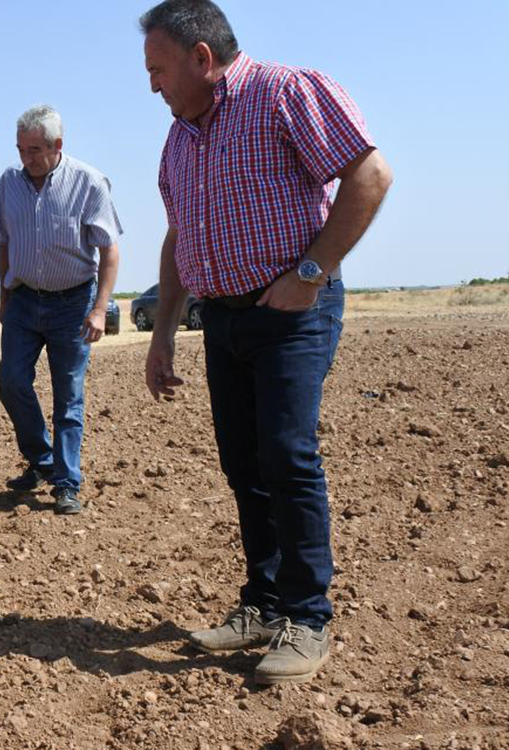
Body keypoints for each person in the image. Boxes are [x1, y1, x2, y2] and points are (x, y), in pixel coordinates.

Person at [139, 0, 393, 685]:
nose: (152, 84)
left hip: (291, 313)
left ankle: (308, 619)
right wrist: (162, 331)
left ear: (200, 58)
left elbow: (370, 176)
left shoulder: (285, 92)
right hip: (221, 319)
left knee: (286, 454)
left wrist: (311, 274)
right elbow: (178, 237)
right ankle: (264, 602)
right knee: (244, 463)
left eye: (158, 69)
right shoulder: (178, 140)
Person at [0, 104, 122, 515]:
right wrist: (5, 296)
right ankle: (42, 460)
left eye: (34, 150)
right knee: (11, 382)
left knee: (69, 397)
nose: (25, 158)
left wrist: (100, 309)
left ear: (57, 145)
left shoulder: (88, 181)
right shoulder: (9, 182)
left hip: (73, 302)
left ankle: (66, 483)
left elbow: (109, 250)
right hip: (25, 301)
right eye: (20, 149)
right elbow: (4, 241)